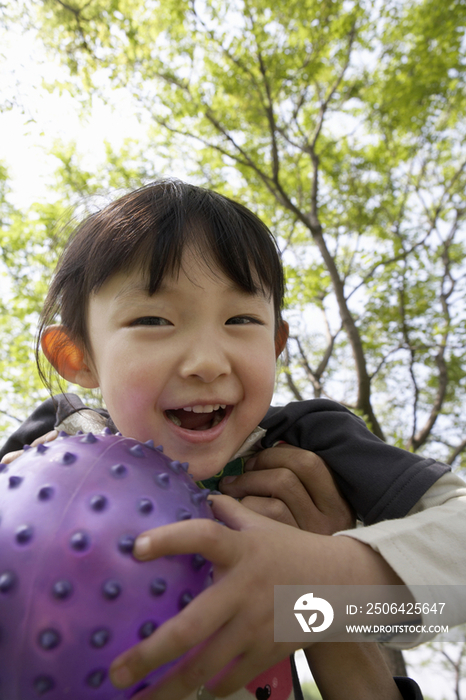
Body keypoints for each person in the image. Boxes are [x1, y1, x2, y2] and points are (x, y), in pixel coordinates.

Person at [2, 180, 464, 699]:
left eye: (241, 319)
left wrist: (330, 575)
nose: (207, 362)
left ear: (276, 344)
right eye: (153, 319)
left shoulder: (307, 440)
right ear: (77, 356)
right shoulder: (57, 439)